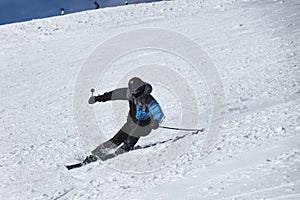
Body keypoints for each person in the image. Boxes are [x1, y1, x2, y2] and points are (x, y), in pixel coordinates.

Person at [86, 77, 164, 162]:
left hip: (144, 126)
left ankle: (124, 148)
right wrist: (97, 98)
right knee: (117, 139)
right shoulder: (129, 93)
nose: (134, 93)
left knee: (132, 137)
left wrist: (156, 121)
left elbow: (158, 112)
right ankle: (97, 153)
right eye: (132, 90)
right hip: (131, 122)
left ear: (141, 88)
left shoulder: (148, 99)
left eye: (136, 90)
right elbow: (113, 95)